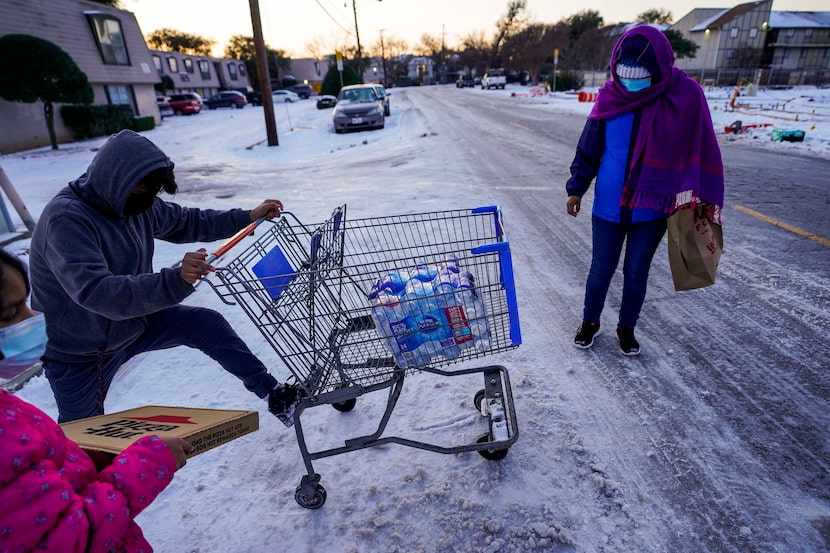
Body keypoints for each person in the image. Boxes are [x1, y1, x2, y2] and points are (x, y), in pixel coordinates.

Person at [28, 129, 301, 425]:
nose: (150, 201)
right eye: (146, 191)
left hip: (132, 324)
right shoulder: (67, 220)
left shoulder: (135, 203)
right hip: (80, 351)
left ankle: (274, 394)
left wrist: (245, 217)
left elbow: (187, 221)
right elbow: (98, 292)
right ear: (119, 181)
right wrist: (174, 280)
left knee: (206, 324)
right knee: (83, 439)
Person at [0, 247, 193, 552]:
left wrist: (85, 456)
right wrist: (148, 461)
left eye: (25, 304)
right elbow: (73, 539)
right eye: (11, 315)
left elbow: (33, 481)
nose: (33, 318)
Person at [565, 25, 724, 356]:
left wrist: (694, 195)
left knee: (636, 272)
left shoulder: (683, 98)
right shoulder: (610, 97)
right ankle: (590, 322)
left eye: (639, 75)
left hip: (653, 209)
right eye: (625, 75)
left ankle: (627, 328)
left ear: (659, 68)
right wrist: (576, 187)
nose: (631, 82)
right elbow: (589, 148)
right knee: (600, 270)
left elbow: (699, 147)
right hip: (609, 205)